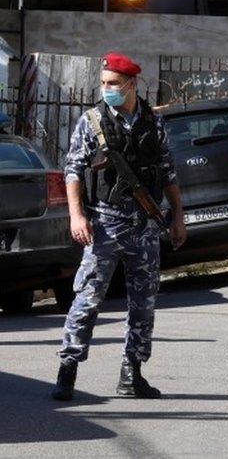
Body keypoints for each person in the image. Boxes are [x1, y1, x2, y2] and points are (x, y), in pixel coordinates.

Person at [52, 52, 188, 401]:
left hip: (144, 224)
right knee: (88, 297)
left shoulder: (152, 123)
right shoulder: (92, 121)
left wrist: (177, 215)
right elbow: (72, 171)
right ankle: (68, 368)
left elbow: (168, 172)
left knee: (143, 302)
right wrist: (76, 215)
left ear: (131, 84)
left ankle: (132, 373)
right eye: (103, 83)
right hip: (105, 222)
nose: (107, 89)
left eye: (113, 83)